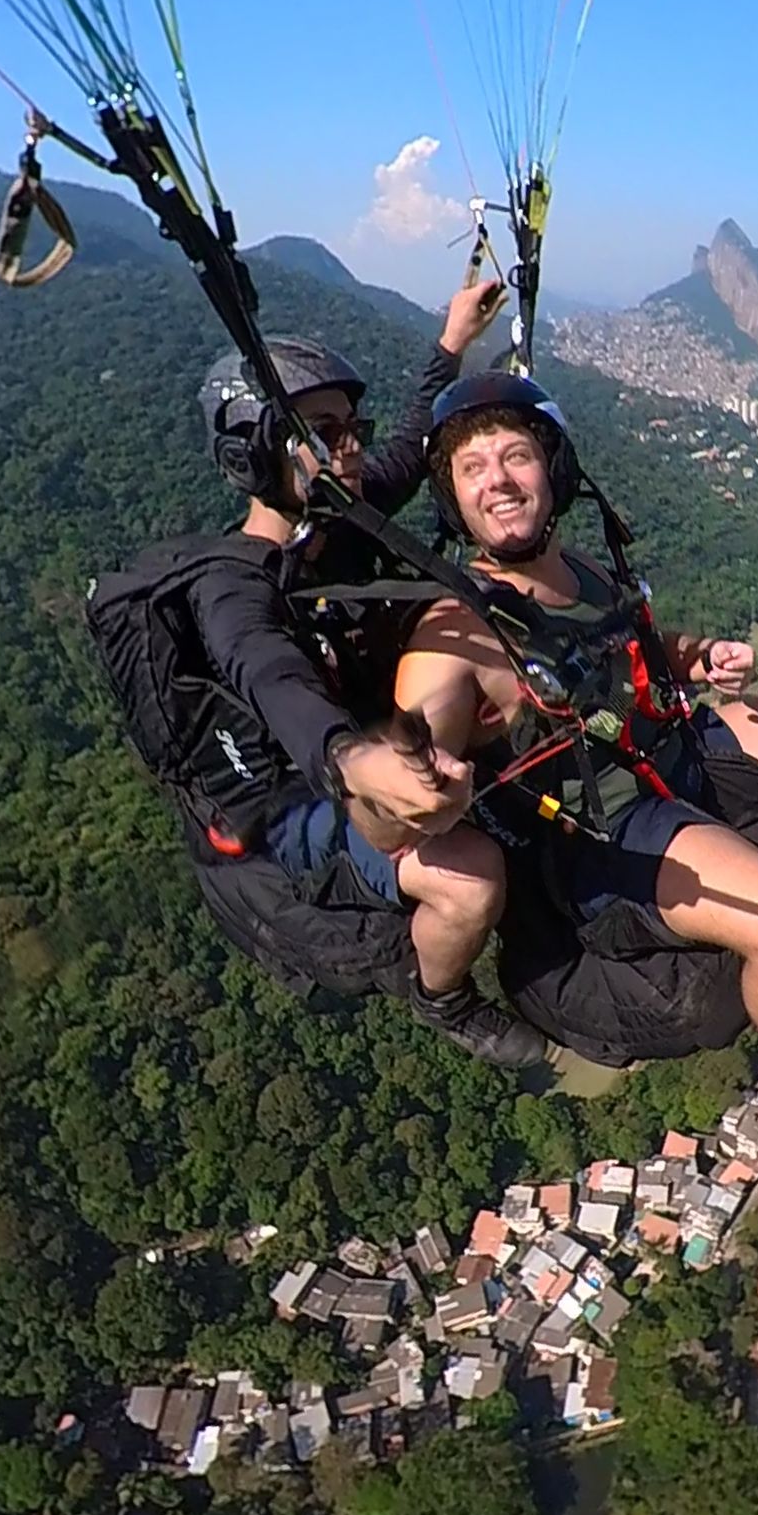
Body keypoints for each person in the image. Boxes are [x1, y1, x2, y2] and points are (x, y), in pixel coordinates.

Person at [389, 372, 758, 1223]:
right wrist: (410, 784)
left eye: (516, 455)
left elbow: (630, 648)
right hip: (604, 832)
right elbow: (409, 746)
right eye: (472, 467)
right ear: (454, 501)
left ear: (552, 471)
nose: (497, 478)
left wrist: (696, 654)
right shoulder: (455, 633)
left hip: (668, 748)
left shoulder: (586, 572)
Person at [175, 280, 540, 1068]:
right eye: (327, 431)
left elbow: (410, 449)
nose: (351, 448)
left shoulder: (335, 517)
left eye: (352, 429)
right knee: (472, 879)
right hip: (290, 801)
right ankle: (443, 994)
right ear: (257, 449)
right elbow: (270, 674)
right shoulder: (232, 585)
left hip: (362, 745)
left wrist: (450, 343)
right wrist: (348, 757)